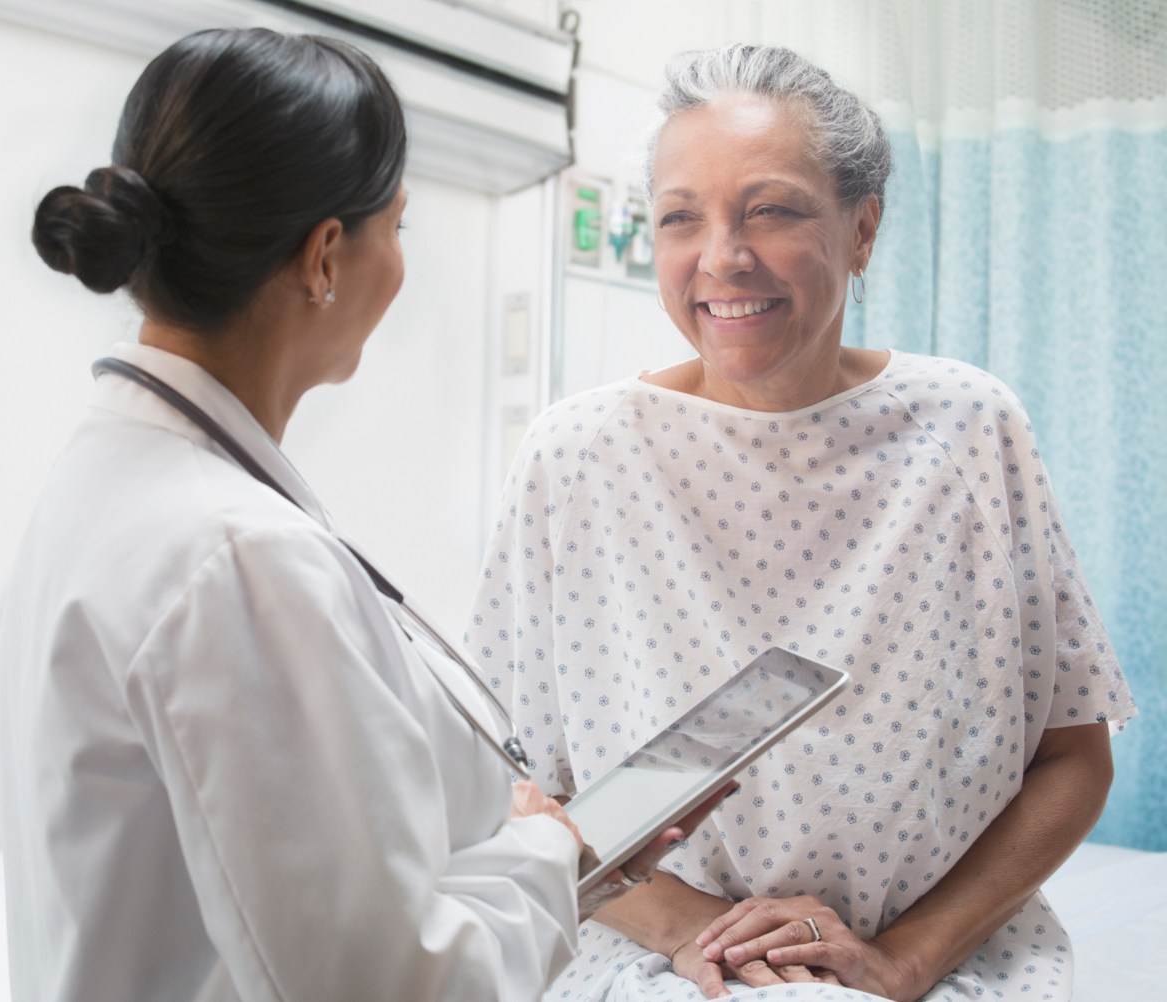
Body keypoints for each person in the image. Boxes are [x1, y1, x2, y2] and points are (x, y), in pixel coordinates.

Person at [0, 27, 731, 1002]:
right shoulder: (233, 556)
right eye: (400, 227)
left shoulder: (117, 476)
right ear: (326, 256)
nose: (399, 262)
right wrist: (554, 852)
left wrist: (503, 833)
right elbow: (388, 986)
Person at [466, 44, 1135, 1002]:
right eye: (680, 219)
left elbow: (1073, 758)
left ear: (862, 231)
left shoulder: (969, 428)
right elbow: (511, 788)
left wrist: (905, 957)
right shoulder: (575, 457)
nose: (722, 258)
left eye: (770, 210)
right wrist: (698, 933)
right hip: (664, 956)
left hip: (940, 956)